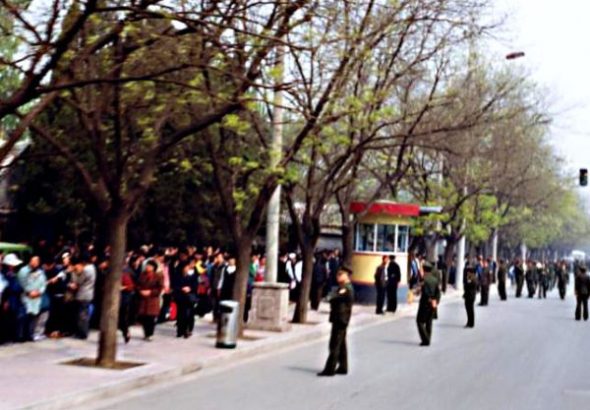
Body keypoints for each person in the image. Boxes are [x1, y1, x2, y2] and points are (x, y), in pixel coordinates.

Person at [318, 267, 354, 377]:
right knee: (341, 343)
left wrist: (330, 296)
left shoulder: (346, 288)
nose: (338, 276)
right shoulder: (343, 287)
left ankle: (330, 369)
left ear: (346, 275)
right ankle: (343, 366)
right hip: (340, 318)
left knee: (334, 344)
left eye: (340, 274)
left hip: (340, 318)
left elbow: (332, 297)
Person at [18, 256, 47, 342]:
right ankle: (22, 336)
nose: (35, 262)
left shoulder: (41, 272)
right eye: (34, 261)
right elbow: (21, 283)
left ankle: (30, 334)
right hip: (26, 297)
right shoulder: (23, 271)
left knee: (34, 318)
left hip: (37, 298)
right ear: (30, 261)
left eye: (37, 261)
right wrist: (28, 292)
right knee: (25, 317)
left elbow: (43, 284)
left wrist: (39, 292)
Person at [68, 256, 96, 339]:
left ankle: (82, 333)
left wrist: (73, 272)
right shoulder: (92, 267)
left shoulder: (86, 270)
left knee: (82, 316)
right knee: (82, 315)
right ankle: (81, 332)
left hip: (83, 295)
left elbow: (78, 281)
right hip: (87, 294)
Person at [0, 254, 25, 343]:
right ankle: (5, 338)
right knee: (5, 320)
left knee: (12, 319)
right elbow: (10, 288)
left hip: (13, 300)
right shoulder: (5, 274)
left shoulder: (12, 273)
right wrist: (6, 301)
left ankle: (11, 337)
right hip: (8, 300)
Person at [137, 260, 163, 340]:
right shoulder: (142, 275)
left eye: (150, 266)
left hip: (152, 299)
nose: (148, 267)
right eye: (147, 266)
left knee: (151, 318)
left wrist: (151, 292)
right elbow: (138, 285)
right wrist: (140, 291)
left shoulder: (158, 276)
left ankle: (150, 333)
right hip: (143, 299)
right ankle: (146, 333)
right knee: (144, 317)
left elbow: (160, 288)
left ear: (153, 268)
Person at [416, 262, 440, 346]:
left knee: (419, 321)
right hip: (433, 303)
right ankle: (428, 338)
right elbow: (438, 292)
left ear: (424, 270)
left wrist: (417, 291)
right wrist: (436, 301)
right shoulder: (435, 280)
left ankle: (426, 339)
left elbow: (423, 292)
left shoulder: (424, 279)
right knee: (429, 322)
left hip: (425, 303)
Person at [174, 261, 198, 338]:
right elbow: (175, 286)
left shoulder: (192, 276)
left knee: (188, 314)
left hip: (189, 298)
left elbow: (195, 286)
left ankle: (187, 330)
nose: (187, 269)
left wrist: (189, 288)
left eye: (188, 267)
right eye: (186, 267)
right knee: (180, 314)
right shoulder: (177, 276)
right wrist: (181, 288)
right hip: (180, 297)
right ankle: (180, 330)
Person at [119, 265, 135, 343]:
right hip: (113, 299)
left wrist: (123, 287)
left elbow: (130, 286)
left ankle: (126, 333)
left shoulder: (124, 275)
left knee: (122, 318)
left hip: (123, 299)